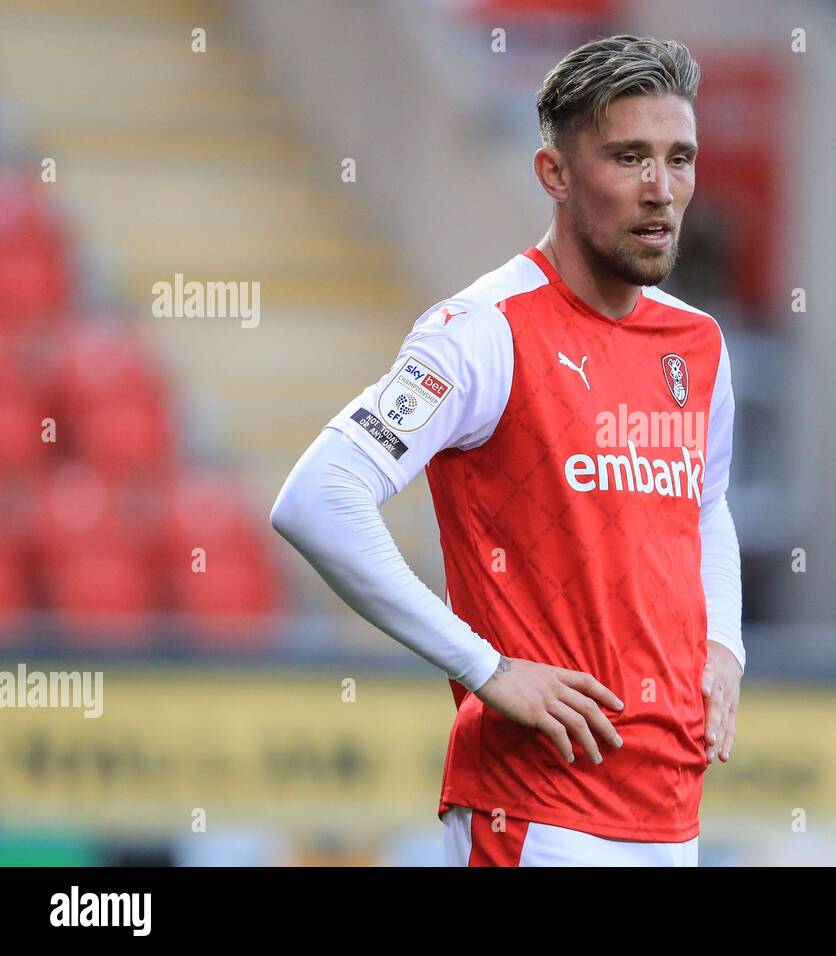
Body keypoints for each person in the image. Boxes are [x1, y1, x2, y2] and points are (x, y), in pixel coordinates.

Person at [270, 34, 743, 867]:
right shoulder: (481, 333)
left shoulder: (697, 344)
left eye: (680, 158)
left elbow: (705, 507)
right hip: (537, 814)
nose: (661, 190)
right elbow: (319, 499)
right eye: (629, 157)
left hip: (672, 814)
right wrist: (486, 669)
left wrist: (726, 646)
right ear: (555, 174)